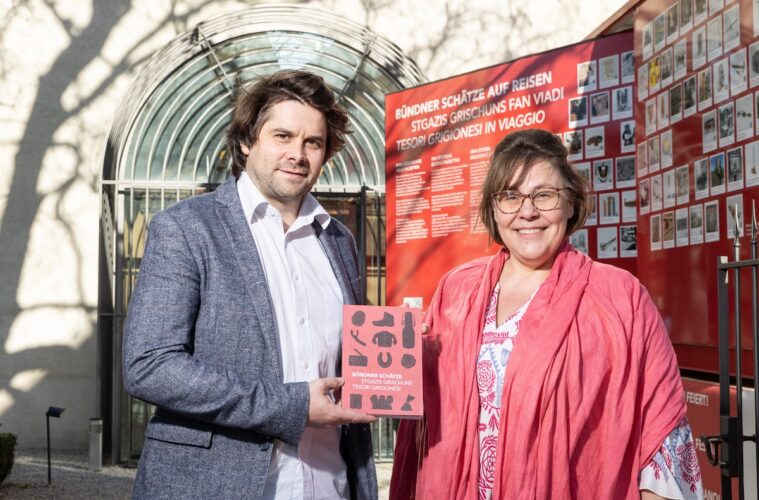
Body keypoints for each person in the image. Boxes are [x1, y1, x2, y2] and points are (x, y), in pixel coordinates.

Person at [390, 129, 702, 499]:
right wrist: (397, 364)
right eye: (510, 196)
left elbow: (663, 433)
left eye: (544, 195)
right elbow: (420, 417)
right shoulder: (456, 290)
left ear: (571, 202)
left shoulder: (621, 298)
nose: (527, 211)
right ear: (493, 208)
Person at [123, 70, 377, 499]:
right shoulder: (187, 228)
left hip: (328, 483)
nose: (297, 154)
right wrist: (292, 407)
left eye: (313, 142)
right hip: (216, 486)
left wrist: (401, 354)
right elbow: (149, 365)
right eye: (282, 136)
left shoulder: (339, 239)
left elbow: (348, 360)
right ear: (246, 141)